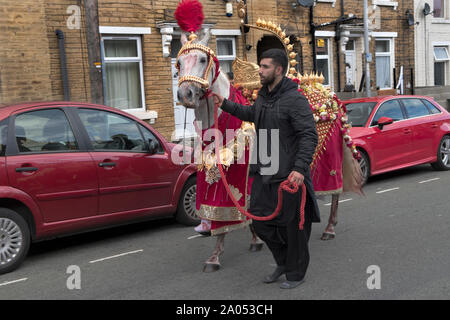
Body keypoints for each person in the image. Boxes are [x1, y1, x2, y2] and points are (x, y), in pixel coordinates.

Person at [212, 48, 320, 289]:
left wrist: (300, 169)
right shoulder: (263, 96)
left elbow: (309, 136)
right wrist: (225, 104)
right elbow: (252, 114)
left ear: (279, 70)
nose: (259, 71)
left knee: (294, 229)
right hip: (264, 172)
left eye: (265, 67)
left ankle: (296, 273)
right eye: (260, 66)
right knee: (260, 222)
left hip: (290, 177)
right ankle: (283, 261)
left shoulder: (295, 99)